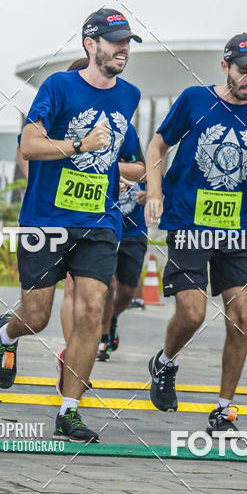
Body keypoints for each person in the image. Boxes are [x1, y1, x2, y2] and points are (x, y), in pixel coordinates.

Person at [0, 8, 142, 442]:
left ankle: (69, 411)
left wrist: (136, 173)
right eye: (114, 41)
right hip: (46, 219)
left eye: (128, 41)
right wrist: (78, 144)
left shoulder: (130, 96)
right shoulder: (58, 87)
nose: (123, 49)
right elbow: (29, 144)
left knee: (94, 308)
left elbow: (130, 160)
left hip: (99, 221)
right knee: (36, 316)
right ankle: (6, 330)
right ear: (91, 44)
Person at [144, 34, 247, 434]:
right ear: (225, 67)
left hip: (235, 229)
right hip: (188, 222)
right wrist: (155, 192)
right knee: (192, 314)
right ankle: (165, 363)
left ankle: (223, 409)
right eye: (244, 70)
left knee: (242, 316)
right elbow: (157, 146)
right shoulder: (194, 100)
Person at [97, 128, 148, 361]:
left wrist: (152, 195)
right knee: (108, 284)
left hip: (134, 232)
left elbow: (160, 188)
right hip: (107, 228)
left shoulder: (141, 167)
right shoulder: (101, 162)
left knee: (127, 291)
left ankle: (112, 318)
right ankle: (104, 336)